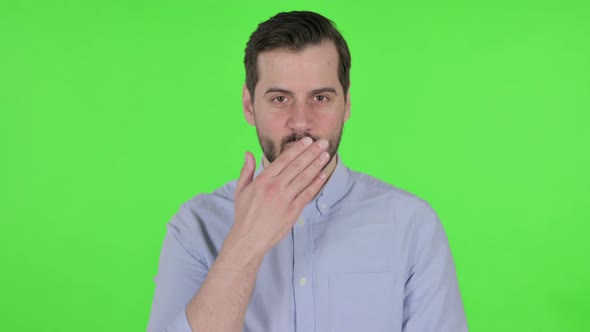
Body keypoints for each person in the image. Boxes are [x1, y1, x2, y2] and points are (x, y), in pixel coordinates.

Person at [147, 11, 468, 332]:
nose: (301, 122)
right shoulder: (195, 227)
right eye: (280, 98)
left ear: (346, 104)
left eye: (320, 97)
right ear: (249, 105)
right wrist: (245, 243)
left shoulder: (413, 225)